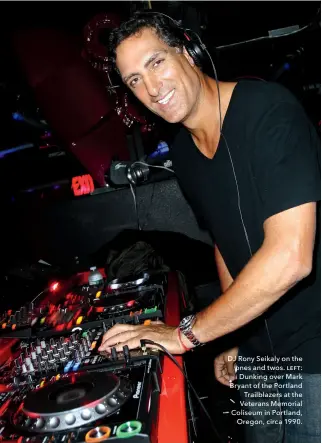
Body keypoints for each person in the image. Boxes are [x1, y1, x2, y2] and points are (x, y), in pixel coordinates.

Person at [98, 11, 321, 443]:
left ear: (187, 51)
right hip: (259, 351)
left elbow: (291, 258)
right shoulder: (182, 152)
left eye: (156, 62)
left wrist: (186, 335)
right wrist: (232, 333)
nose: (151, 88)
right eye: (134, 80)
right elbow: (225, 240)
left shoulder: (268, 111)